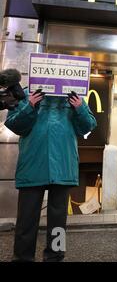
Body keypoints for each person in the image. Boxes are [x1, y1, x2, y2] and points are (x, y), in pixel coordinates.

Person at [5, 89, 97, 262]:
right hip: (33, 165)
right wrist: (30, 105)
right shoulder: (26, 94)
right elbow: (14, 125)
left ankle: (56, 257)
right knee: (26, 222)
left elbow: (88, 126)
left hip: (62, 165)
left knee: (58, 224)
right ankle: (22, 258)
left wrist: (79, 108)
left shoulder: (74, 94)